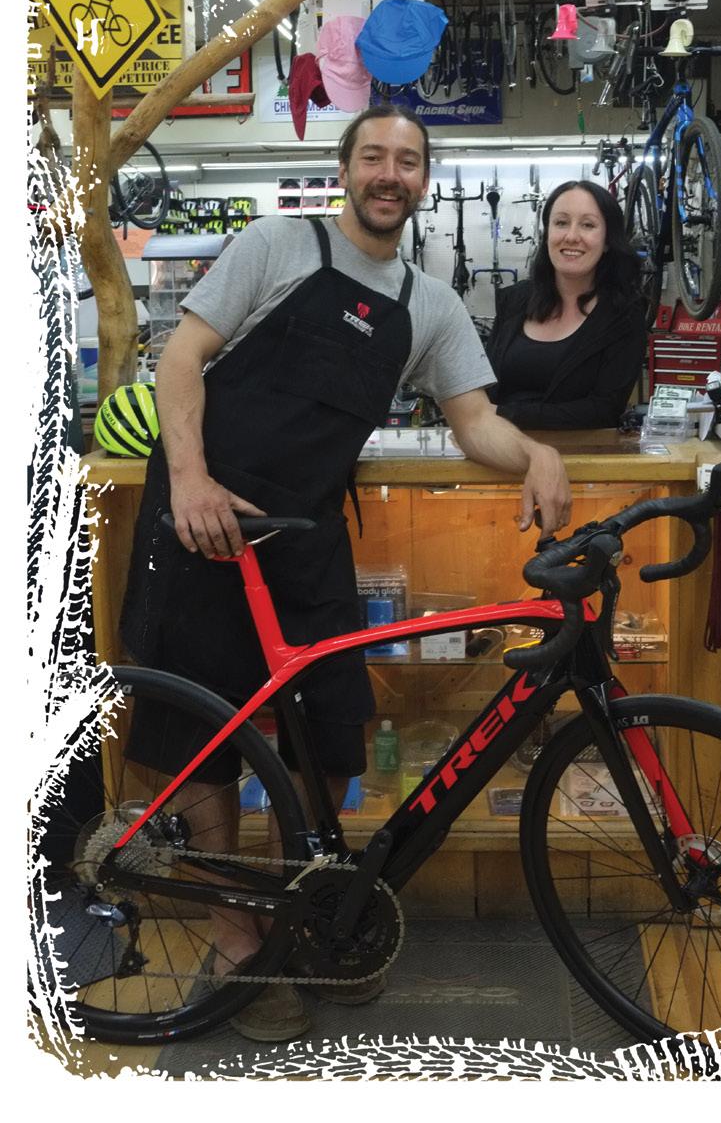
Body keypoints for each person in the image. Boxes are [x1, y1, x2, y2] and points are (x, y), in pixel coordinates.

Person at [118, 104, 570, 1041]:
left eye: (407, 161)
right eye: (374, 156)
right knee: (203, 738)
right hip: (205, 518)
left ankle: (298, 921)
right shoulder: (277, 245)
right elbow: (182, 358)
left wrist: (536, 453)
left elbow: (474, 421)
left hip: (306, 534)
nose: (389, 174)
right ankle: (236, 944)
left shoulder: (427, 303)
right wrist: (191, 479)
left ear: (424, 180)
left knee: (325, 741)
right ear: (346, 169)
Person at [486, 179, 647, 430]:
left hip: (580, 451)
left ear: (607, 240)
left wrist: (504, 413)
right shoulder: (514, 300)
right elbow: (486, 385)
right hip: (499, 447)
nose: (571, 237)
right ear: (547, 233)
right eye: (561, 223)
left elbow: (604, 409)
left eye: (588, 225)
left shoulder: (624, 315)